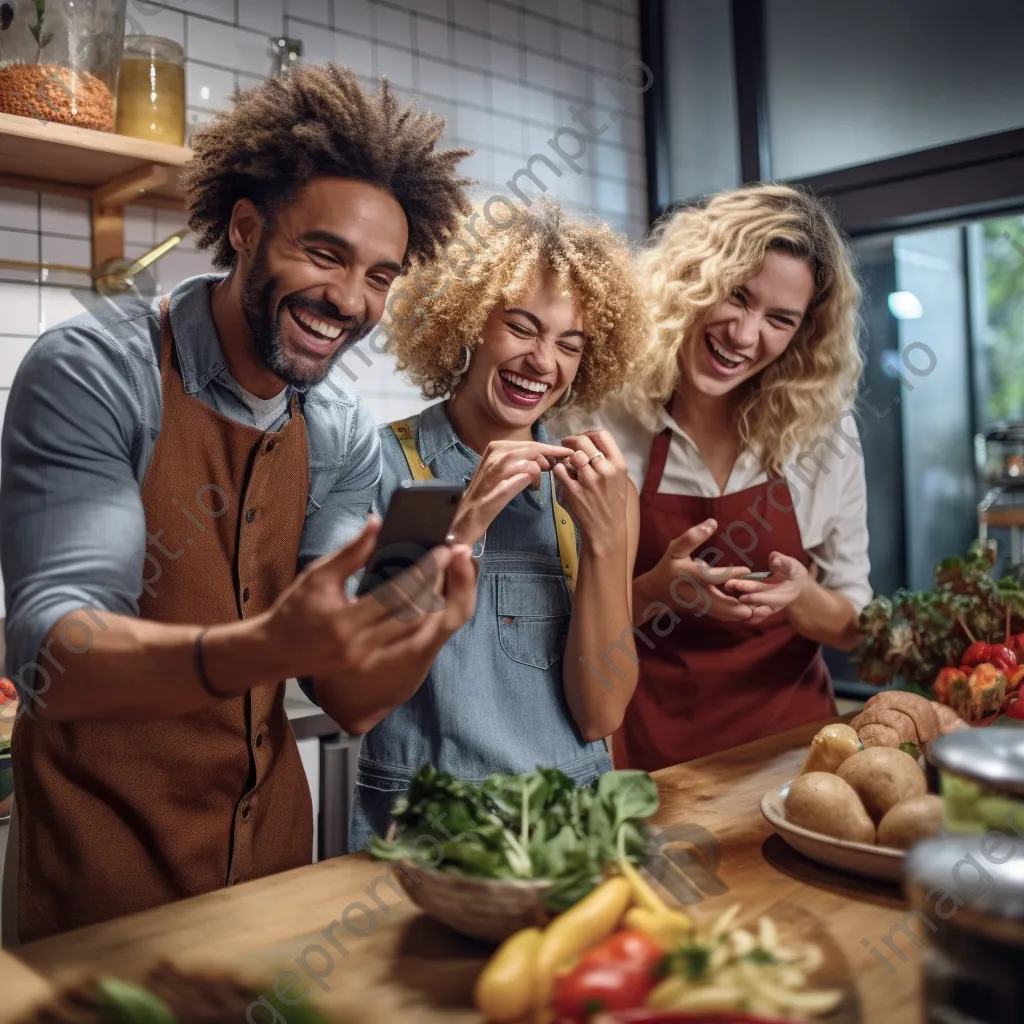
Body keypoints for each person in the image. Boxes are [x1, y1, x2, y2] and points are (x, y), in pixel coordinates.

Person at [0, 65, 479, 945]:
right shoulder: (101, 372)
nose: (349, 301)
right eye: (326, 254)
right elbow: (55, 652)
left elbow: (352, 700)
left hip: (271, 888)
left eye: (380, 275)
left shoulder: (338, 431)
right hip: (102, 896)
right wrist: (258, 648)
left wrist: (432, 620)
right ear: (247, 228)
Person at [341, 200, 650, 852]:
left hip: (568, 833)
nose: (544, 362)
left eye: (570, 343)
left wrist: (603, 541)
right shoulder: (377, 463)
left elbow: (601, 713)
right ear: (469, 320)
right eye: (522, 328)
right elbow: (354, 702)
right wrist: (461, 529)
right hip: (422, 833)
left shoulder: (601, 488)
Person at [567, 184, 870, 772]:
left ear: (803, 335)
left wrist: (801, 595)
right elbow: (560, 628)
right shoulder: (598, 416)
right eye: (736, 295)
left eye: (780, 319)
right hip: (644, 762)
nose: (744, 335)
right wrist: (656, 591)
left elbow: (856, 626)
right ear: (691, 282)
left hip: (796, 759)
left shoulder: (824, 436)